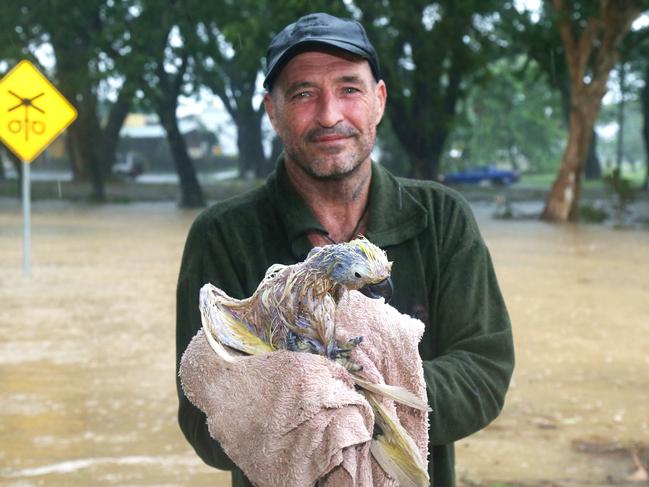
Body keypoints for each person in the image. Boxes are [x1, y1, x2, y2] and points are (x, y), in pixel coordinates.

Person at [176, 12, 515, 487]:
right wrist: (319, 399)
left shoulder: (442, 218)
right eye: (303, 94)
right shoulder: (224, 234)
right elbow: (201, 417)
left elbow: (485, 373)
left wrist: (359, 392)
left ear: (378, 101)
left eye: (349, 89)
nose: (330, 114)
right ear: (273, 111)